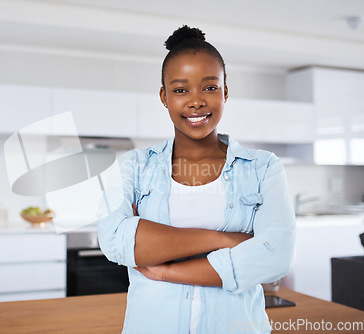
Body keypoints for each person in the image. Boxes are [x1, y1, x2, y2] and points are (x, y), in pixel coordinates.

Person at [97, 25, 296, 334]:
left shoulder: (262, 167)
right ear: (164, 97)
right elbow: (114, 241)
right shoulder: (132, 166)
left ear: (225, 91)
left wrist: (165, 272)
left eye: (209, 87)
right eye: (180, 90)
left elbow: (277, 256)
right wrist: (226, 240)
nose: (196, 101)